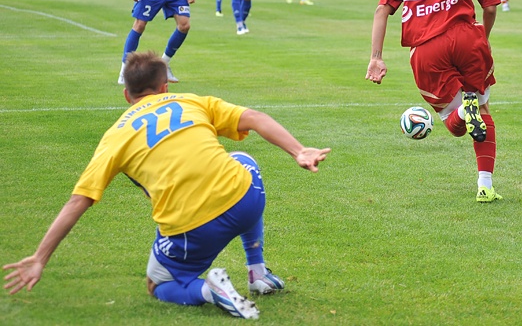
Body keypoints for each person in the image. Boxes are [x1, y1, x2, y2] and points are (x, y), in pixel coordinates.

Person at [4, 51, 330, 320]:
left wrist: (39, 257)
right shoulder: (191, 101)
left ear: (126, 95)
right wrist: (299, 150)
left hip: (193, 228)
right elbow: (256, 118)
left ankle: (208, 290)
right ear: (164, 88)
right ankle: (257, 271)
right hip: (245, 200)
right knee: (244, 160)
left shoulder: (115, 136)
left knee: (158, 284)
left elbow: (80, 200)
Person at [366, 0, 503, 202]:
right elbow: (491, 6)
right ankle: (485, 185)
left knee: (452, 122)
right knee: (484, 108)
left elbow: (382, 11)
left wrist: (376, 57)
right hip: (467, 38)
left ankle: (465, 111)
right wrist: (483, 39)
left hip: (426, 49)